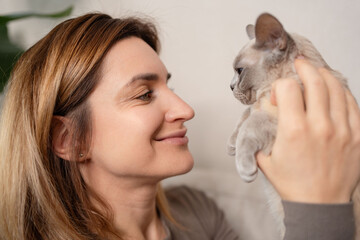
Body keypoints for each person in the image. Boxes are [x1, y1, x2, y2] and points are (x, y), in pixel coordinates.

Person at [0, 13, 359, 240]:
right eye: (143, 94)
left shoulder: (195, 212)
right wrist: (319, 209)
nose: (185, 110)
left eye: (169, 86)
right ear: (69, 139)